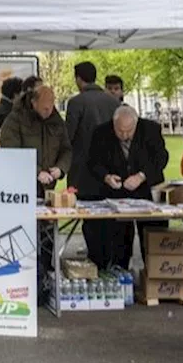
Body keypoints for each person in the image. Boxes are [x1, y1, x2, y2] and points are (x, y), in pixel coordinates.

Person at [87, 105, 168, 270]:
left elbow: (161, 158)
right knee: (119, 243)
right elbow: (93, 162)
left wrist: (142, 175)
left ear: (136, 124)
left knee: (153, 240)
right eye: (120, 131)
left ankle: (154, 277)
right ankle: (120, 274)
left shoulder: (151, 130)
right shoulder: (101, 133)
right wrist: (107, 177)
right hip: (116, 194)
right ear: (113, 124)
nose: (124, 135)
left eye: (129, 131)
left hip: (147, 192)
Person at [66, 62, 121, 269]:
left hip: (83, 169)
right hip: (110, 168)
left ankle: (96, 257)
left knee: (89, 216)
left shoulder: (76, 102)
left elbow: (68, 136)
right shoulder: (112, 102)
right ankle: (107, 258)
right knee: (108, 215)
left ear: (79, 78)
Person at [0, 84, 71, 198]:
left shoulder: (57, 122)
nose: (48, 110)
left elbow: (66, 149)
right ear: (34, 102)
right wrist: (37, 172)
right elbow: (11, 153)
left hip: (48, 189)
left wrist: (60, 169)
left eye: (51, 106)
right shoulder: (15, 119)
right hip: (21, 189)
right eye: (45, 107)